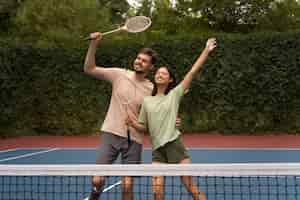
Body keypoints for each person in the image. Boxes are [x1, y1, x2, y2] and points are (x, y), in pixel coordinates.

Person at [127, 38, 217, 200]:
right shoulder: (147, 101)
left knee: (190, 187)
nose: (160, 75)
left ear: (170, 80)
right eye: (158, 73)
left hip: (175, 145)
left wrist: (206, 51)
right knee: (156, 192)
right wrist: (132, 123)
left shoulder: (174, 95)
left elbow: (192, 72)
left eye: (164, 73)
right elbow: (144, 127)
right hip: (157, 151)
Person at [84, 32, 157, 200]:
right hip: (111, 132)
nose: (139, 61)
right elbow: (89, 69)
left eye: (144, 60)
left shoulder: (151, 89)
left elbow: (154, 119)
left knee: (127, 185)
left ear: (150, 67)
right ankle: (95, 194)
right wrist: (93, 44)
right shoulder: (119, 74)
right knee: (97, 179)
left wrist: (172, 120)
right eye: (138, 58)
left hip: (134, 140)